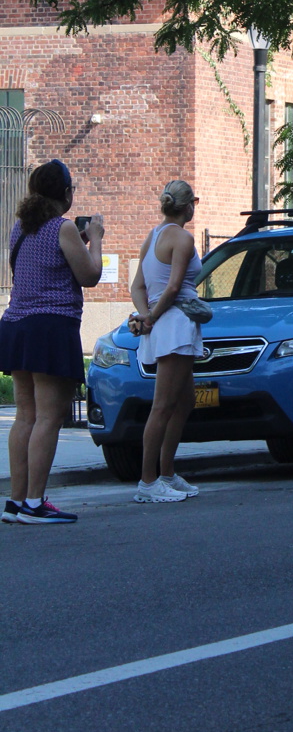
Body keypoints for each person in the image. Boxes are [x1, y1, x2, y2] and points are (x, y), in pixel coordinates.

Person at [0, 159, 105, 523]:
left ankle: (16, 502)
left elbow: (45, 264)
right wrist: (96, 239)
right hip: (50, 328)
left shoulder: (21, 227)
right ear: (66, 194)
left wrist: (81, 242)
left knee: (25, 416)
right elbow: (90, 275)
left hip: (16, 326)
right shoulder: (63, 228)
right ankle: (34, 503)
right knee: (49, 416)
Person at [129, 180, 204, 502]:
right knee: (162, 406)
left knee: (184, 401)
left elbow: (137, 286)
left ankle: (168, 473)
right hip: (175, 324)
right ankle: (148, 482)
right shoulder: (183, 238)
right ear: (188, 206)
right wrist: (152, 318)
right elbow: (173, 288)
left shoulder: (153, 236)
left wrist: (146, 315)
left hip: (163, 322)